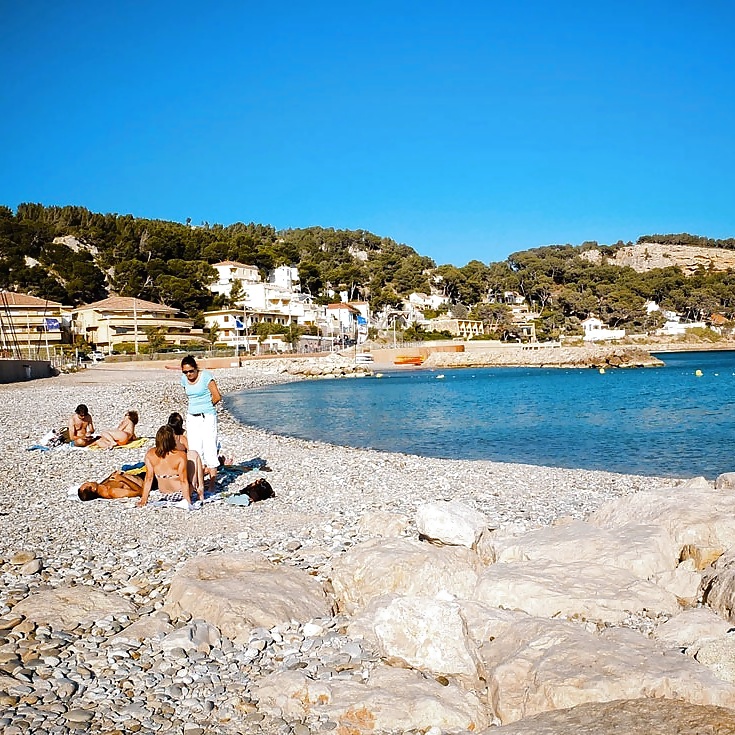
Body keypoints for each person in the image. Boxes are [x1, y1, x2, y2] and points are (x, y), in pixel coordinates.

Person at [180, 356, 222, 492]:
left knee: (210, 446)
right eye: (185, 372)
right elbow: (190, 396)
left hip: (207, 416)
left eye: (191, 371)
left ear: (196, 368)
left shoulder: (206, 377)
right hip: (192, 416)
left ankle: (212, 482)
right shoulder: (184, 380)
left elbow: (217, 396)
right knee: (194, 448)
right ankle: (198, 481)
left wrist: (207, 407)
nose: (188, 375)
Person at [137, 424, 199, 508]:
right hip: (179, 494)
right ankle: (200, 489)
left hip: (164, 494)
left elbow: (149, 478)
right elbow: (183, 480)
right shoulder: (180, 455)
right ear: (172, 440)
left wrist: (144, 499)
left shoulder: (150, 454)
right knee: (193, 457)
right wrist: (187, 501)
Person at [167, 411, 205, 496]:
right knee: (194, 455)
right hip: (181, 469)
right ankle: (199, 487)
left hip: (168, 473)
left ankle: (200, 486)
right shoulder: (182, 438)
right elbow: (190, 451)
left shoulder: (166, 437)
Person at [78, 471, 145, 500]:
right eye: (87, 483)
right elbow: (140, 492)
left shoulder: (102, 486)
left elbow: (105, 482)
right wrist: (123, 479)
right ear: (93, 489)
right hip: (146, 480)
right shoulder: (112, 492)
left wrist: (112, 475)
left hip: (139, 475)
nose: (88, 481)